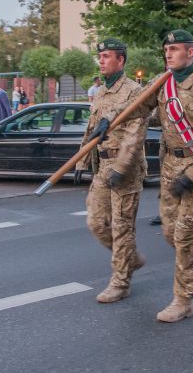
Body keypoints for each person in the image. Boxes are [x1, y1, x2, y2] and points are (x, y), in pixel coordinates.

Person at [107, 29, 193, 323]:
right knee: (170, 233)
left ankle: (183, 300)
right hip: (170, 166)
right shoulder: (163, 84)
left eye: (175, 49)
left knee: (185, 237)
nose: (168, 54)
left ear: (190, 52)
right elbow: (137, 107)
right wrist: (108, 120)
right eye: (166, 50)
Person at [74, 38, 150, 303]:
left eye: (107, 56)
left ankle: (121, 282)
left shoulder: (133, 91)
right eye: (101, 56)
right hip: (103, 165)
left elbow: (135, 133)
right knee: (95, 222)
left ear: (121, 60)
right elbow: (93, 129)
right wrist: (82, 161)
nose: (102, 60)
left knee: (122, 227)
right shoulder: (100, 91)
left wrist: (122, 166)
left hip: (125, 167)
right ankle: (130, 257)